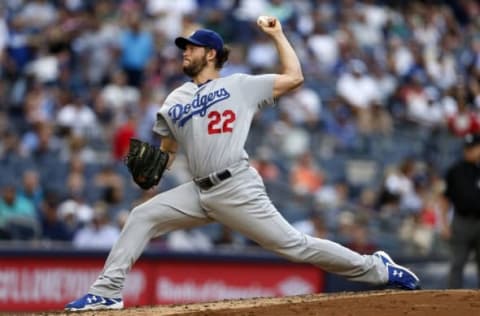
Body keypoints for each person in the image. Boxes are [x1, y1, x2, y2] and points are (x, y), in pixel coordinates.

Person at [65, 18, 420, 311]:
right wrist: (151, 169)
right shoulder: (175, 98)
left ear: (211, 53)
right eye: (183, 47)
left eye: (190, 46)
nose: (184, 51)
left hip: (235, 186)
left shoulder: (241, 86)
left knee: (295, 245)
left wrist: (278, 34)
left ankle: (377, 267)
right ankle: (108, 291)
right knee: (142, 215)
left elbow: (294, 76)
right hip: (197, 190)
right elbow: (167, 151)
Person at [440, 133, 480, 288]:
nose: (470, 151)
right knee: (457, 263)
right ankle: (452, 301)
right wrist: (443, 224)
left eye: (474, 148)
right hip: (461, 221)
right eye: (468, 148)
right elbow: (444, 199)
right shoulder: (455, 171)